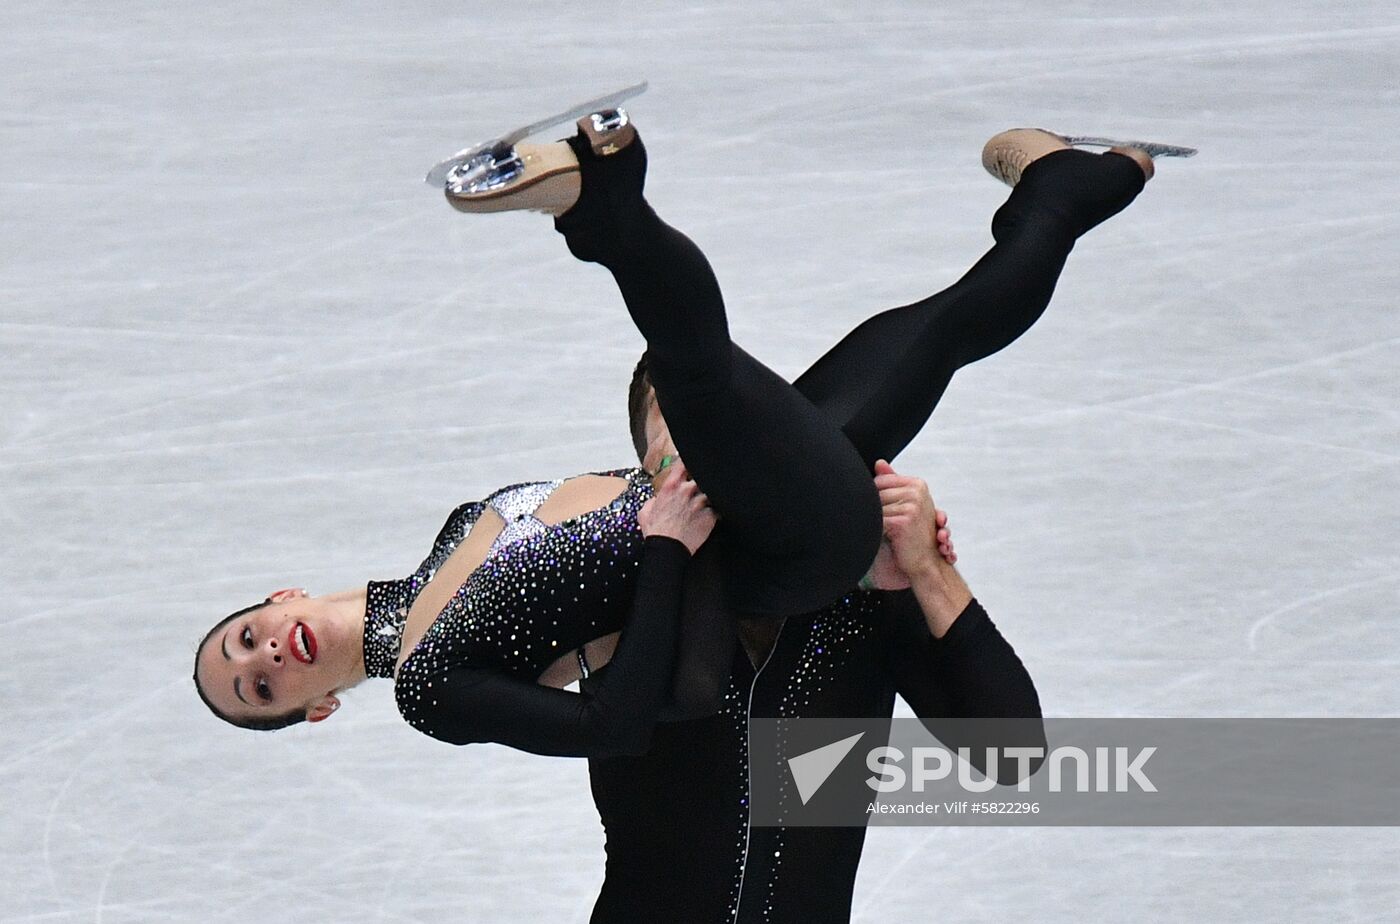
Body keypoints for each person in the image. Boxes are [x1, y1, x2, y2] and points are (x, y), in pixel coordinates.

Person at [193, 113, 1157, 771]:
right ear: (311, 710)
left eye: (245, 643)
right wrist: (663, 549)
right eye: (261, 691)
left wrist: (658, 473)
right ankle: (601, 203)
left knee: (937, 329)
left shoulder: (456, 530)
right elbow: (620, 724)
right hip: (779, 548)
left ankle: (1076, 185)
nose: (265, 659)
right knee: (692, 369)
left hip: (746, 481)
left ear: (278, 599)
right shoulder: (434, 691)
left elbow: (632, 491)